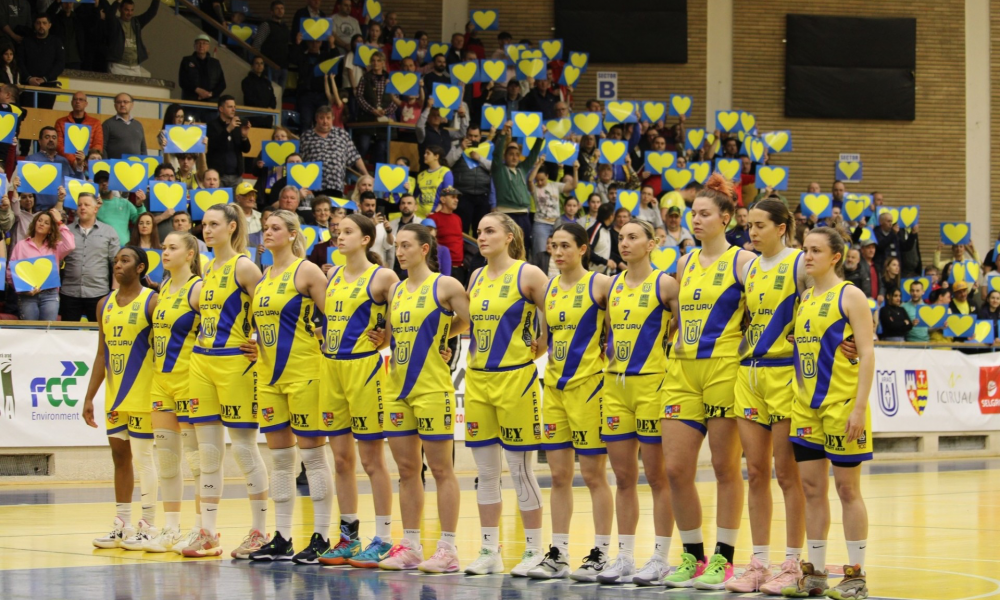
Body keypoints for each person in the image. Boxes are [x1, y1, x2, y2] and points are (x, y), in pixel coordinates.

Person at [661, 174, 756, 589]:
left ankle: (724, 557)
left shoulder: (743, 261)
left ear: (726, 218)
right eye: (693, 214)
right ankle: (692, 554)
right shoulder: (683, 262)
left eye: (704, 214)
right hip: (682, 370)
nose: (695, 220)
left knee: (724, 467)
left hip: (724, 369)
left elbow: (767, 309)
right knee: (675, 469)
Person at [784, 227, 874, 600]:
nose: (807, 256)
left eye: (816, 250)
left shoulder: (851, 295)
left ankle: (856, 575)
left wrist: (859, 408)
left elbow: (867, 353)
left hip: (841, 405)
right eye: (805, 249)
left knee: (846, 489)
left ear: (835, 257)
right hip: (805, 408)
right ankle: (816, 574)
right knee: (812, 489)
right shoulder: (805, 297)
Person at [724, 200, 808, 594]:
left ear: (782, 227)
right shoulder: (750, 268)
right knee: (755, 472)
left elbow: (830, 305)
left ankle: (793, 562)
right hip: (749, 373)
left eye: (760, 225)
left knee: (787, 474)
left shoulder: (800, 264)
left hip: (785, 373)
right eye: (750, 225)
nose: (752, 232)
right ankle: (759, 563)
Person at [376, 223, 468, 572]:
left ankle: (448, 548)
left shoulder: (445, 285)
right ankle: (411, 546)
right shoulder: (395, 290)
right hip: (397, 389)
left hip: (432, 388)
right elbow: (391, 336)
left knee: (442, 469)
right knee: (406, 470)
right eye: (397, 246)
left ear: (424, 249)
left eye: (406, 245)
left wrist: (443, 338)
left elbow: (471, 321)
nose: (399, 252)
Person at [525, 222, 615, 581]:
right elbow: (545, 340)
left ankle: (601, 554)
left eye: (565, 245)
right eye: (554, 246)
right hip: (554, 389)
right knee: (559, 476)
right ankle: (558, 553)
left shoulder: (601, 285)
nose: (558, 252)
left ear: (582, 249)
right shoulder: (548, 289)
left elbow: (623, 328)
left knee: (593, 475)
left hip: (589, 389)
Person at [462, 213, 549, 576]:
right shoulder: (476, 276)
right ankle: (489, 550)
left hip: (516, 380)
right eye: (479, 231)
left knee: (520, 470)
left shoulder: (529, 274)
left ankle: (534, 550)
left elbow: (555, 312)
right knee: (485, 472)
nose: (481, 236)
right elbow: (467, 323)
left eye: (489, 231)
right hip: (478, 379)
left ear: (510, 236)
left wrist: (543, 343)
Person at [594, 218, 678, 585]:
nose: (624, 243)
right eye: (620, 238)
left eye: (632, 237)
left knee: (658, 477)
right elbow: (605, 332)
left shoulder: (665, 284)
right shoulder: (610, 285)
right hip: (615, 386)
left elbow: (682, 326)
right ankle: (625, 556)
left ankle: (660, 557)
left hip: (652, 386)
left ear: (652, 243)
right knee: (624, 477)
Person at [245, 210, 332, 563]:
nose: (267, 232)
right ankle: (282, 537)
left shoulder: (307, 271)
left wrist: (321, 339)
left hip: (305, 373)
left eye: (275, 228)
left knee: (313, 457)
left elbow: (334, 318)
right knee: (280, 460)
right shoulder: (264, 276)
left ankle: (322, 536)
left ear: (293, 234)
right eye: (265, 227)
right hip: (268, 378)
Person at [313, 214, 399, 567]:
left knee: (371, 460)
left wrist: (386, 337)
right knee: (341, 460)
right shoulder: (331, 275)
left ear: (366, 239)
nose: (340, 235)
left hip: (364, 369)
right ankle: (349, 537)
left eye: (348, 231)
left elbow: (405, 314)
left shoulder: (383, 277)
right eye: (338, 230)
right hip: (331, 368)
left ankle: (384, 538)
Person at [184, 204, 268, 558]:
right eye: (204, 224)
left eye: (214, 224)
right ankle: (207, 532)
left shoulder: (244, 266)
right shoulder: (205, 268)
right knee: (208, 453)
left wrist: (260, 342)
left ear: (232, 227)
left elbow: (268, 310)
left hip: (235, 362)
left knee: (244, 449)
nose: (207, 230)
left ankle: (260, 531)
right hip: (202, 361)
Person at [82, 247, 158, 551]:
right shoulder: (104, 304)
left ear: (140, 267)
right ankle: (122, 524)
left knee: (144, 458)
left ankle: (148, 524)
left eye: (125, 260)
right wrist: (89, 396)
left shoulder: (152, 301)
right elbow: (102, 353)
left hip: (143, 393)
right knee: (119, 457)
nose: (118, 265)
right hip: (115, 395)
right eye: (115, 261)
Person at [142, 231, 203, 553]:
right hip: (161, 383)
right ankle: (171, 529)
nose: (164, 252)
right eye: (163, 247)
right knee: (167, 461)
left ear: (190, 253)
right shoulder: (163, 288)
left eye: (172, 247)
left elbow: (223, 328)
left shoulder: (198, 289)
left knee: (198, 463)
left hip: (190, 383)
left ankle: (202, 528)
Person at [7, 208, 75, 320]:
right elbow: (11, 272)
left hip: (50, 294)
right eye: (40, 220)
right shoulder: (21, 245)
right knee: (30, 329)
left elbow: (70, 245)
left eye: (46, 223)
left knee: (48, 328)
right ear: (34, 223)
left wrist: (59, 222)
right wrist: (22, 289)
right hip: (27, 295)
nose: (42, 224)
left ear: (50, 230)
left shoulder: (55, 246)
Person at [61, 193, 119, 321]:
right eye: (79, 205)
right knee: (67, 331)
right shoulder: (66, 231)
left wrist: (114, 291)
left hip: (98, 292)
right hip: (70, 292)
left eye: (86, 205)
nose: (82, 207)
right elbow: (57, 259)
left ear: (96, 209)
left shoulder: (109, 232)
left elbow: (116, 263)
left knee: (99, 331)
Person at [491, 123, 543, 256]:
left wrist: (540, 137)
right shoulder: (498, 169)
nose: (514, 157)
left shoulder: (522, 169)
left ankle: (522, 267)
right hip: (506, 214)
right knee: (507, 247)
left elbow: (533, 155)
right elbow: (496, 154)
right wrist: (503, 133)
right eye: (511, 154)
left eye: (517, 154)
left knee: (524, 247)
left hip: (523, 215)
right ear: (505, 156)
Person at [300, 105, 368, 197]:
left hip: (335, 186)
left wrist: (366, 174)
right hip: (312, 187)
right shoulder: (306, 136)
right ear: (316, 118)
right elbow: (300, 161)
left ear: (333, 118)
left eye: (328, 118)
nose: (325, 121)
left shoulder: (342, 134)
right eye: (321, 118)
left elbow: (355, 156)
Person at [446, 124, 492, 235]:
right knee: (462, 230)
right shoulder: (457, 147)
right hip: (463, 195)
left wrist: (479, 158)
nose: (473, 139)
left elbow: (494, 168)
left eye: (476, 136)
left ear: (480, 137)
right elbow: (447, 163)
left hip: (482, 195)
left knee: (481, 232)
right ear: (466, 136)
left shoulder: (488, 148)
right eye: (470, 136)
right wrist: (461, 149)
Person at [26, 126, 83, 211]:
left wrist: (79, 164)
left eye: (54, 137)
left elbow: (76, 184)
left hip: (62, 211)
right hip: (40, 211)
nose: (51, 140)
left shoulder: (63, 161)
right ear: (40, 141)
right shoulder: (31, 160)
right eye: (47, 137)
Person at [529, 157, 577, 257]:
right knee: (540, 254)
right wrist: (539, 164)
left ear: (547, 176)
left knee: (558, 253)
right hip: (541, 224)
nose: (540, 182)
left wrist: (575, 169)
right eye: (538, 180)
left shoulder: (554, 185)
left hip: (557, 224)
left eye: (542, 179)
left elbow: (574, 185)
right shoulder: (535, 188)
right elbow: (530, 180)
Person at [99, 0, 159, 77]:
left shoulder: (136, 22)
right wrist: (117, 2)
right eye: (126, 10)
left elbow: (152, 12)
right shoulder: (115, 23)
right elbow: (110, 15)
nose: (129, 13)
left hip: (135, 67)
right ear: (120, 9)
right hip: (118, 66)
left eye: (132, 10)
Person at [17, 14, 63, 110]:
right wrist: (29, 78)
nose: (41, 26)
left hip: (49, 86)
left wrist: (45, 78)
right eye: (38, 23)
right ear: (34, 25)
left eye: (44, 23)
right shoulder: (26, 41)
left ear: (49, 25)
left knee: (45, 115)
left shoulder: (56, 42)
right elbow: (20, 62)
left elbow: (60, 64)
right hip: (28, 86)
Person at [206, 95, 252, 189]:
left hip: (236, 176)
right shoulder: (212, 125)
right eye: (230, 107)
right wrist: (228, 129)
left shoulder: (237, 125)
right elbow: (214, 146)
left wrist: (244, 136)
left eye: (234, 107)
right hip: (218, 176)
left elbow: (246, 149)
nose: (233, 109)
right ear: (221, 109)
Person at [56, 92, 105, 165]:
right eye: (75, 99)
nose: (78, 101)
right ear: (71, 103)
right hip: (66, 164)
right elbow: (59, 145)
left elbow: (98, 144)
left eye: (81, 99)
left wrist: (85, 160)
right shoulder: (60, 122)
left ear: (86, 104)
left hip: (88, 164)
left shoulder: (95, 123)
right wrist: (74, 161)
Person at [428, 186, 465, 283]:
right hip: (442, 266)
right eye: (453, 197)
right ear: (443, 199)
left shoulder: (458, 218)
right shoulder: (433, 218)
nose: (456, 200)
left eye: (457, 197)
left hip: (459, 267)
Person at [252, 0, 290, 88]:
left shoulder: (285, 27)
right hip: (270, 66)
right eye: (277, 9)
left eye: (282, 8)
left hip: (284, 66)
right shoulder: (266, 25)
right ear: (271, 12)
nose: (280, 11)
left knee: (280, 93)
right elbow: (256, 44)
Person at [179, 35, 226, 104]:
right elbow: (183, 81)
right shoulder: (187, 60)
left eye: (204, 43)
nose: (201, 46)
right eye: (199, 43)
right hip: (191, 101)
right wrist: (197, 90)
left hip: (211, 102)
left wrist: (210, 94)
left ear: (208, 46)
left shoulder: (215, 63)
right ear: (194, 46)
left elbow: (222, 84)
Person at [102, 93, 146, 159]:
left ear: (132, 105)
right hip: (115, 164)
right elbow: (102, 147)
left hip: (136, 164)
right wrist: (106, 163)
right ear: (115, 105)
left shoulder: (138, 125)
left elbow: (143, 148)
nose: (122, 104)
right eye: (119, 102)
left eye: (125, 102)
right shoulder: (107, 124)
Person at [242, 57, 277, 124]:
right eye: (257, 63)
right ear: (252, 66)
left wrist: (270, 108)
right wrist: (261, 110)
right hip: (253, 117)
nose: (259, 65)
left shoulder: (267, 82)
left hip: (267, 118)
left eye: (261, 63)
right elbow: (249, 98)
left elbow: (272, 97)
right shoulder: (247, 81)